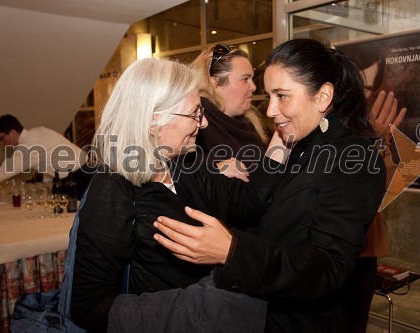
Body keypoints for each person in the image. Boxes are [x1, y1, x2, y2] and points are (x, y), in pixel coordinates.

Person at [154, 38, 386, 332]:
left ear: (323, 96)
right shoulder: (298, 144)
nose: (270, 110)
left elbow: (328, 269)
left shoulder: (353, 156)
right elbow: (259, 209)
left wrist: (233, 252)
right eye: (269, 96)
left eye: (282, 96)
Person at [71, 58, 290, 332]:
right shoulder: (113, 187)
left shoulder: (187, 163)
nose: (204, 122)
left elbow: (250, 201)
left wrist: (284, 137)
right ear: (153, 119)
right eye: (195, 113)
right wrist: (199, 305)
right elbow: (88, 306)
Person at [341, 43, 407, 333]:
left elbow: (385, 190)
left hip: (364, 249)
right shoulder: (319, 120)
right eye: (360, 86)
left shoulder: (372, 125)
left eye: (370, 88)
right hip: (329, 249)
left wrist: (383, 142)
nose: (364, 97)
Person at [187, 43, 268, 177]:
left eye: (252, 79)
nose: (253, 86)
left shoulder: (249, 125)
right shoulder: (196, 126)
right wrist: (213, 170)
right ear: (216, 82)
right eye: (245, 79)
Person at [0, 114, 92, 198]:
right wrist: (47, 184)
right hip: (85, 172)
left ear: (13, 133)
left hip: (78, 179)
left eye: (1, 138)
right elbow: (50, 159)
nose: (1, 143)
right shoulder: (37, 131)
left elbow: (2, 172)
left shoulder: (27, 147)